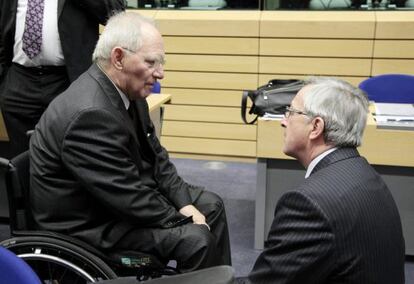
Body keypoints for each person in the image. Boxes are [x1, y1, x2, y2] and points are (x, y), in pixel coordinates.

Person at [29, 12, 231, 272]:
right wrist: (182, 221)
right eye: (151, 62)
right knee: (197, 240)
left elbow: (157, 158)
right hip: (89, 227)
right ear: (118, 58)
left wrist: (185, 204)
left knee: (211, 206)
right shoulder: (90, 114)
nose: (160, 74)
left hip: (111, 201)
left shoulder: (128, 92)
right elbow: (128, 197)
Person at [240, 77, 405, 283]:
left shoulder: (309, 205)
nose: (283, 121)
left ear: (316, 127)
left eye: (291, 112)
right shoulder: (367, 174)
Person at [0, 0, 126, 158]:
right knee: (22, 161)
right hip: (19, 83)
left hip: (67, 81)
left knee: (71, 157)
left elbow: (115, 12)